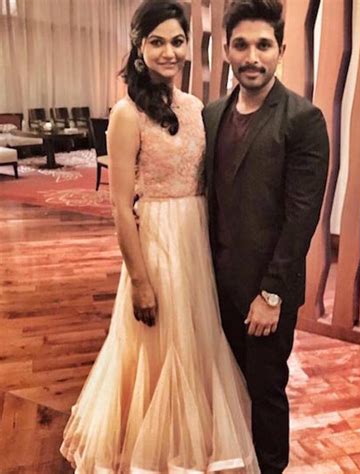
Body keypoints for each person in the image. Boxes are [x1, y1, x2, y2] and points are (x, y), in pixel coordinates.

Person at [60, 1, 259, 472]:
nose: (169, 51)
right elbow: (119, 206)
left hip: (195, 241)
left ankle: (189, 449)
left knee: (196, 346)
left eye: (177, 41)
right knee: (157, 349)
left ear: (189, 46)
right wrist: (140, 281)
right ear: (139, 47)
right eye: (157, 41)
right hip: (157, 244)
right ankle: (150, 455)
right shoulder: (126, 114)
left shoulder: (195, 108)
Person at [202, 0, 329, 472]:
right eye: (241, 45)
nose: (251, 57)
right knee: (226, 384)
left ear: (280, 50)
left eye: (263, 45)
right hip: (216, 283)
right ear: (227, 51)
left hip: (265, 293)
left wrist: (271, 295)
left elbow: (301, 218)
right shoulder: (212, 115)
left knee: (266, 391)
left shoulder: (302, 119)